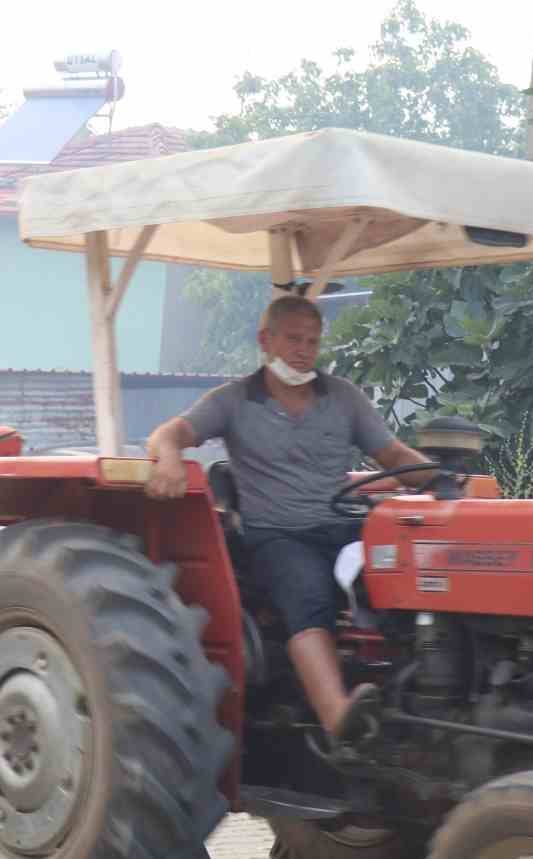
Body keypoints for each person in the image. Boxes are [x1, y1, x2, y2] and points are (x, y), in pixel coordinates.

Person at [146, 295, 431, 748]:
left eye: (312, 341)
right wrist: (168, 457)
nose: (304, 350)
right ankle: (339, 719)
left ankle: (420, 693)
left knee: (409, 570)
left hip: (341, 527)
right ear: (266, 340)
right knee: (307, 593)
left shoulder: (342, 397)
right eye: (294, 339)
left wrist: (444, 478)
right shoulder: (234, 400)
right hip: (276, 535)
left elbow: (392, 456)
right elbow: (171, 433)